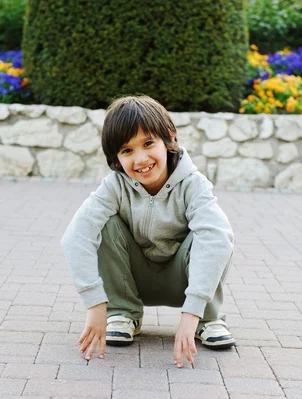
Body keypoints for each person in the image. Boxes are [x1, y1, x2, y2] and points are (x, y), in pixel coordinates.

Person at [60, 95, 235, 368]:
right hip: (133, 280)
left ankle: (208, 319)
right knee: (104, 223)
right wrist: (95, 304)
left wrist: (192, 312)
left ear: (169, 138)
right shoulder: (114, 186)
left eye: (148, 143)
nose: (140, 159)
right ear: (116, 157)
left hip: (183, 283)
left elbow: (216, 240)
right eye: (127, 150)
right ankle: (122, 312)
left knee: (214, 233)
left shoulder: (193, 185)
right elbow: (76, 237)